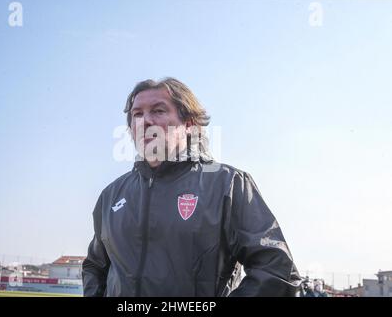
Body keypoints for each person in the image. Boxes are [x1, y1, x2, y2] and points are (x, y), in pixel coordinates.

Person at [82, 77, 301, 296]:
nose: (144, 121)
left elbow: (276, 271)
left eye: (158, 111)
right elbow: (95, 267)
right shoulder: (111, 195)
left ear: (188, 124)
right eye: (137, 114)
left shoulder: (228, 184)